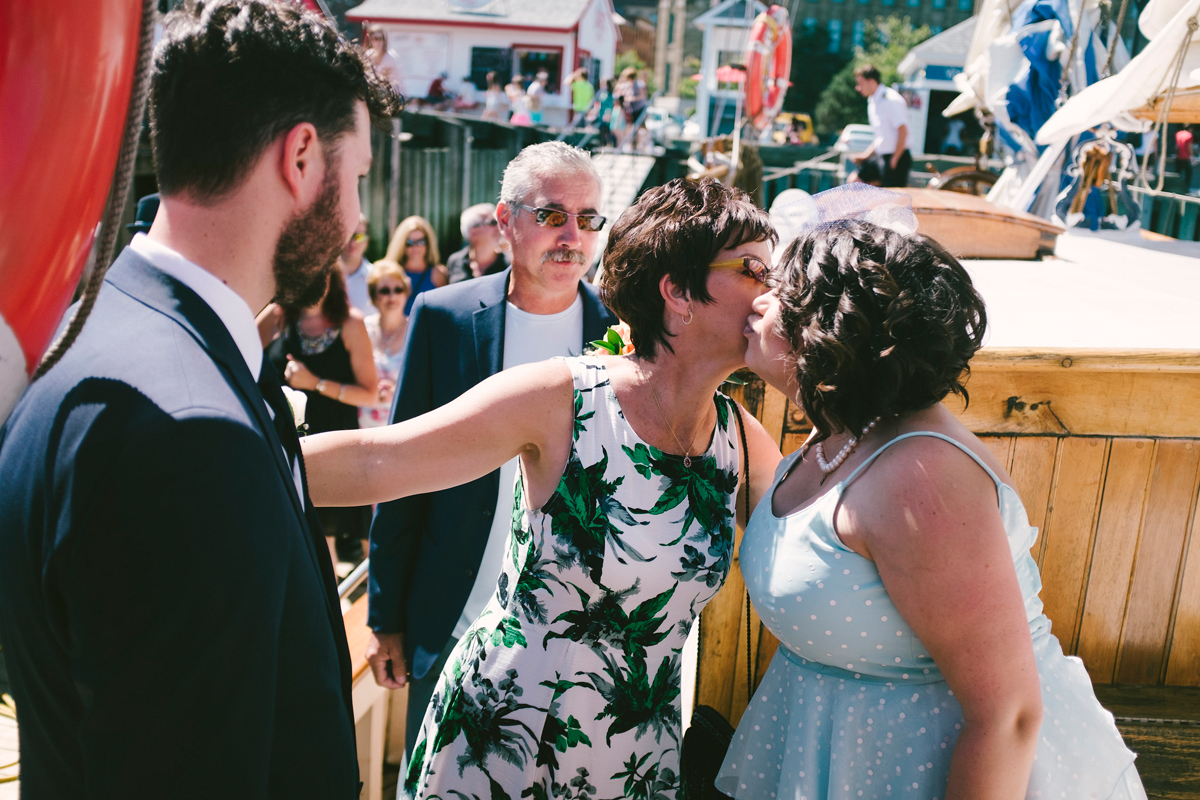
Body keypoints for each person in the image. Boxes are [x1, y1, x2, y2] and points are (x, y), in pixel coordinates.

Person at [0, 1, 401, 796]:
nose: (357, 218)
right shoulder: (190, 437)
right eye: (355, 179)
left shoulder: (85, 335)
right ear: (300, 158)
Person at [301, 175, 781, 800]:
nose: (771, 295)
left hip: (635, 755)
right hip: (511, 734)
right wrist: (231, 462)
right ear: (679, 292)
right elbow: (379, 463)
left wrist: (804, 373)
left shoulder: (738, 440)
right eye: (751, 270)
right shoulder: (568, 397)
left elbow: (827, 547)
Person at [718, 185, 1146, 800]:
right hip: (839, 758)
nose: (759, 302)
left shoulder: (920, 477)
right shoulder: (839, 434)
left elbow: (1007, 715)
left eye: (783, 293)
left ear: (833, 330)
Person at [362, 142, 616, 789]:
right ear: (505, 221)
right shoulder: (444, 318)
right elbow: (400, 466)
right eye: (552, 215)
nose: (571, 236)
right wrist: (386, 616)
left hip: (571, 636)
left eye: (588, 219)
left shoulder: (620, 334)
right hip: (451, 615)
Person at [260, 267, 379, 572]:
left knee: (361, 533)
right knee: (314, 533)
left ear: (334, 277)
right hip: (290, 441)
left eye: (321, 271)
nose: (312, 279)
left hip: (339, 440)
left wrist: (315, 384)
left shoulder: (350, 323)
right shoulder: (277, 316)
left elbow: (369, 394)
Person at [359, 261, 410, 429]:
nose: (392, 296)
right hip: (363, 427)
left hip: (402, 427)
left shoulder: (415, 330)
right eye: (384, 291)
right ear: (374, 296)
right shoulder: (363, 329)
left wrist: (397, 391)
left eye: (398, 289)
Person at [853, 63, 912, 188]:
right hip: (881, 156)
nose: (858, 88)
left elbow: (903, 131)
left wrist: (895, 158)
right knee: (855, 182)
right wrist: (865, 155)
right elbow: (881, 136)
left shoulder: (890, 99)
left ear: (872, 81)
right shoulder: (873, 101)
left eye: (861, 83)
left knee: (890, 199)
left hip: (896, 157)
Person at [378, 215, 447, 314]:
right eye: (410, 242)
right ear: (401, 244)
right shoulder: (391, 273)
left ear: (428, 243)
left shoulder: (438, 274)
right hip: (397, 328)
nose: (416, 247)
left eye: (421, 241)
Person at [446, 202, 509, 283]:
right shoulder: (455, 261)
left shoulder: (509, 265)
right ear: (473, 232)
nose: (499, 227)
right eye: (493, 222)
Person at [341, 212, 373, 313]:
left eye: (359, 236)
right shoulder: (323, 278)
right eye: (348, 235)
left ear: (367, 240)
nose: (353, 242)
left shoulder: (377, 278)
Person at [364, 23, 402, 93]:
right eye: (375, 38)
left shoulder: (390, 56)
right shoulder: (368, 54)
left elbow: (384, 81)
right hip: (377, 93)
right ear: (370, 40)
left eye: (381, 38)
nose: (378, 42)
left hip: (395, 95)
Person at [1175, 124, 1193, 194]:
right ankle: (1186, 189)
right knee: (1188, 174)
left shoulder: (1178, 134)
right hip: (1186, 158)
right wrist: (1192, 157)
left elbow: (1176, 146)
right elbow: (1189, 148)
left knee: (1177, 174)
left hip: (1178, 157)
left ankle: (1176, 189)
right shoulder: (1189, 135)